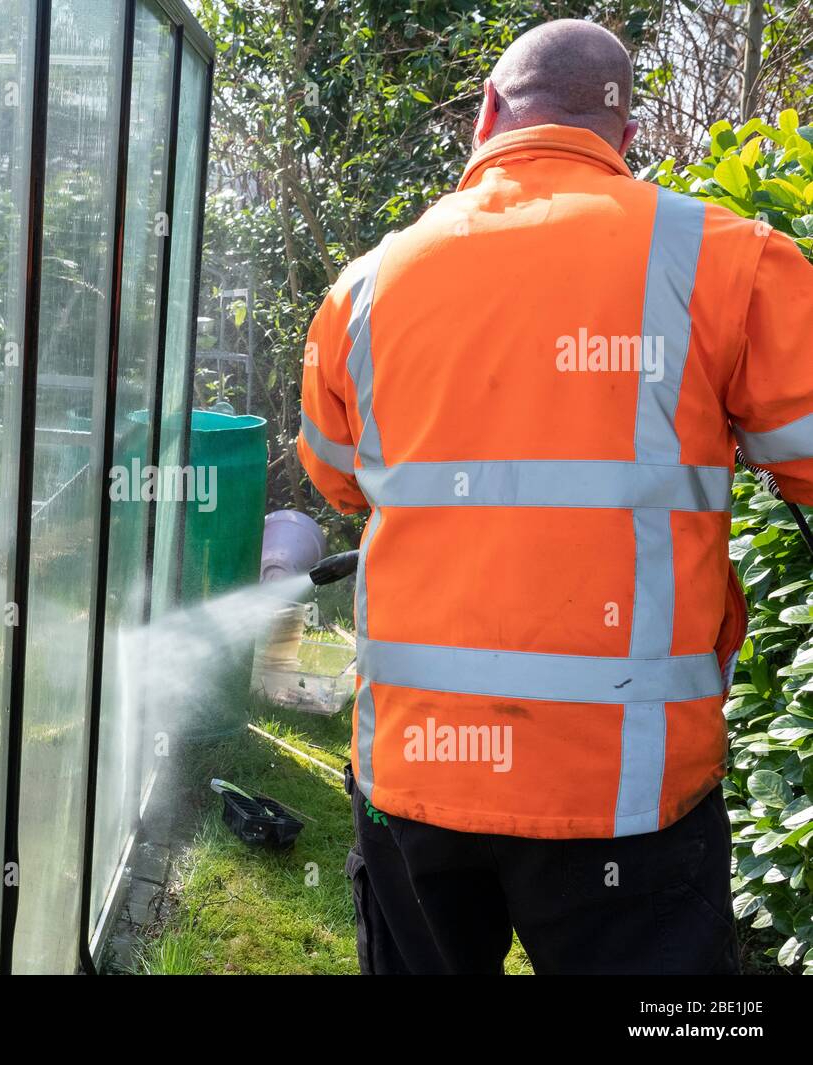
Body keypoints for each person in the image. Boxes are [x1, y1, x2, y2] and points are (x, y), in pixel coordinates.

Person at [297, 18, 813, 974]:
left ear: (490, 112)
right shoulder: (724, 262)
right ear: (624, 136)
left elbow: (338, 477)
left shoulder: (366, 286)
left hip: (418, 776)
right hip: (624, 794)